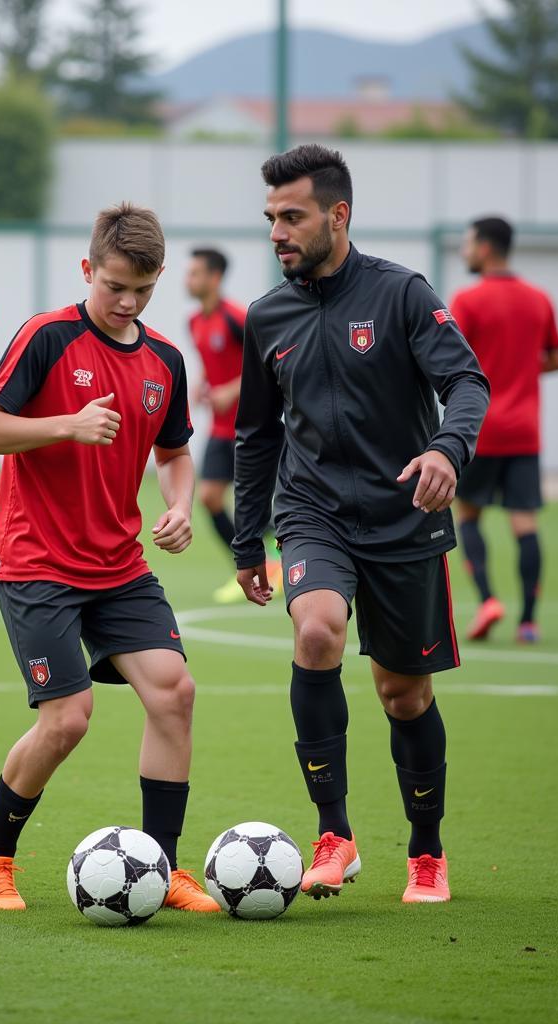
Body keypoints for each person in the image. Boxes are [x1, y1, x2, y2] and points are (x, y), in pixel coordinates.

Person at [232, 145, 489, 905]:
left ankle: (426, 851)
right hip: (312, 513)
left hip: (404, 517)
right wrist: (249, 539)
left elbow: (465, 381)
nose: (278, 232)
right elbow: (256, 435)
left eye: (292, 217)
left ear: (337, 216)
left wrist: (448, 448)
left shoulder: (402, 294)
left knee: (402, 695)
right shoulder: (266, 316)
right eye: (271, 218)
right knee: (315, 631)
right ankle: (335, 835)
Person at [0, 202, 220, 915]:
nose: (127, 301)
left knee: (175, 691)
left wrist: (178, 503)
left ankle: (162, 868)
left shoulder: (165, 358)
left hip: (119, 564)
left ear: (159, 276)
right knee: (67, 718)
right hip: (35, 559)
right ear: (87, 270)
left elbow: (173, 454)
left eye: (142, 287)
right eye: (113, 286)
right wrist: (63, 426)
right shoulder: (47, 338)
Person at [450, 217, 558, 644]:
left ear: (484, 247)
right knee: (524, 523)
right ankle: (529, 621)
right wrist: (519, 367)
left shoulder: (468, 300)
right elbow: (555, 358)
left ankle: (487, 600)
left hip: (480, 429)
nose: (465, 252)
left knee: (468, 514)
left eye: (467, 243)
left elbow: (450, 360)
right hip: (525, 432)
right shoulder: (539, 299)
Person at [185, 248, 283, 603]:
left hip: (250, 428)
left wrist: (231, 388)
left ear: (214, 277)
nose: (188, 279)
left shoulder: (237, 318)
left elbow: (268, 365)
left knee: (253, 505)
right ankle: (246, 565)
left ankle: (272, 560)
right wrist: (202, 382)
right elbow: (215, 362)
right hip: (219, 429)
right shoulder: (195, 322)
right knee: (210, 497)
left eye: (195, 273)